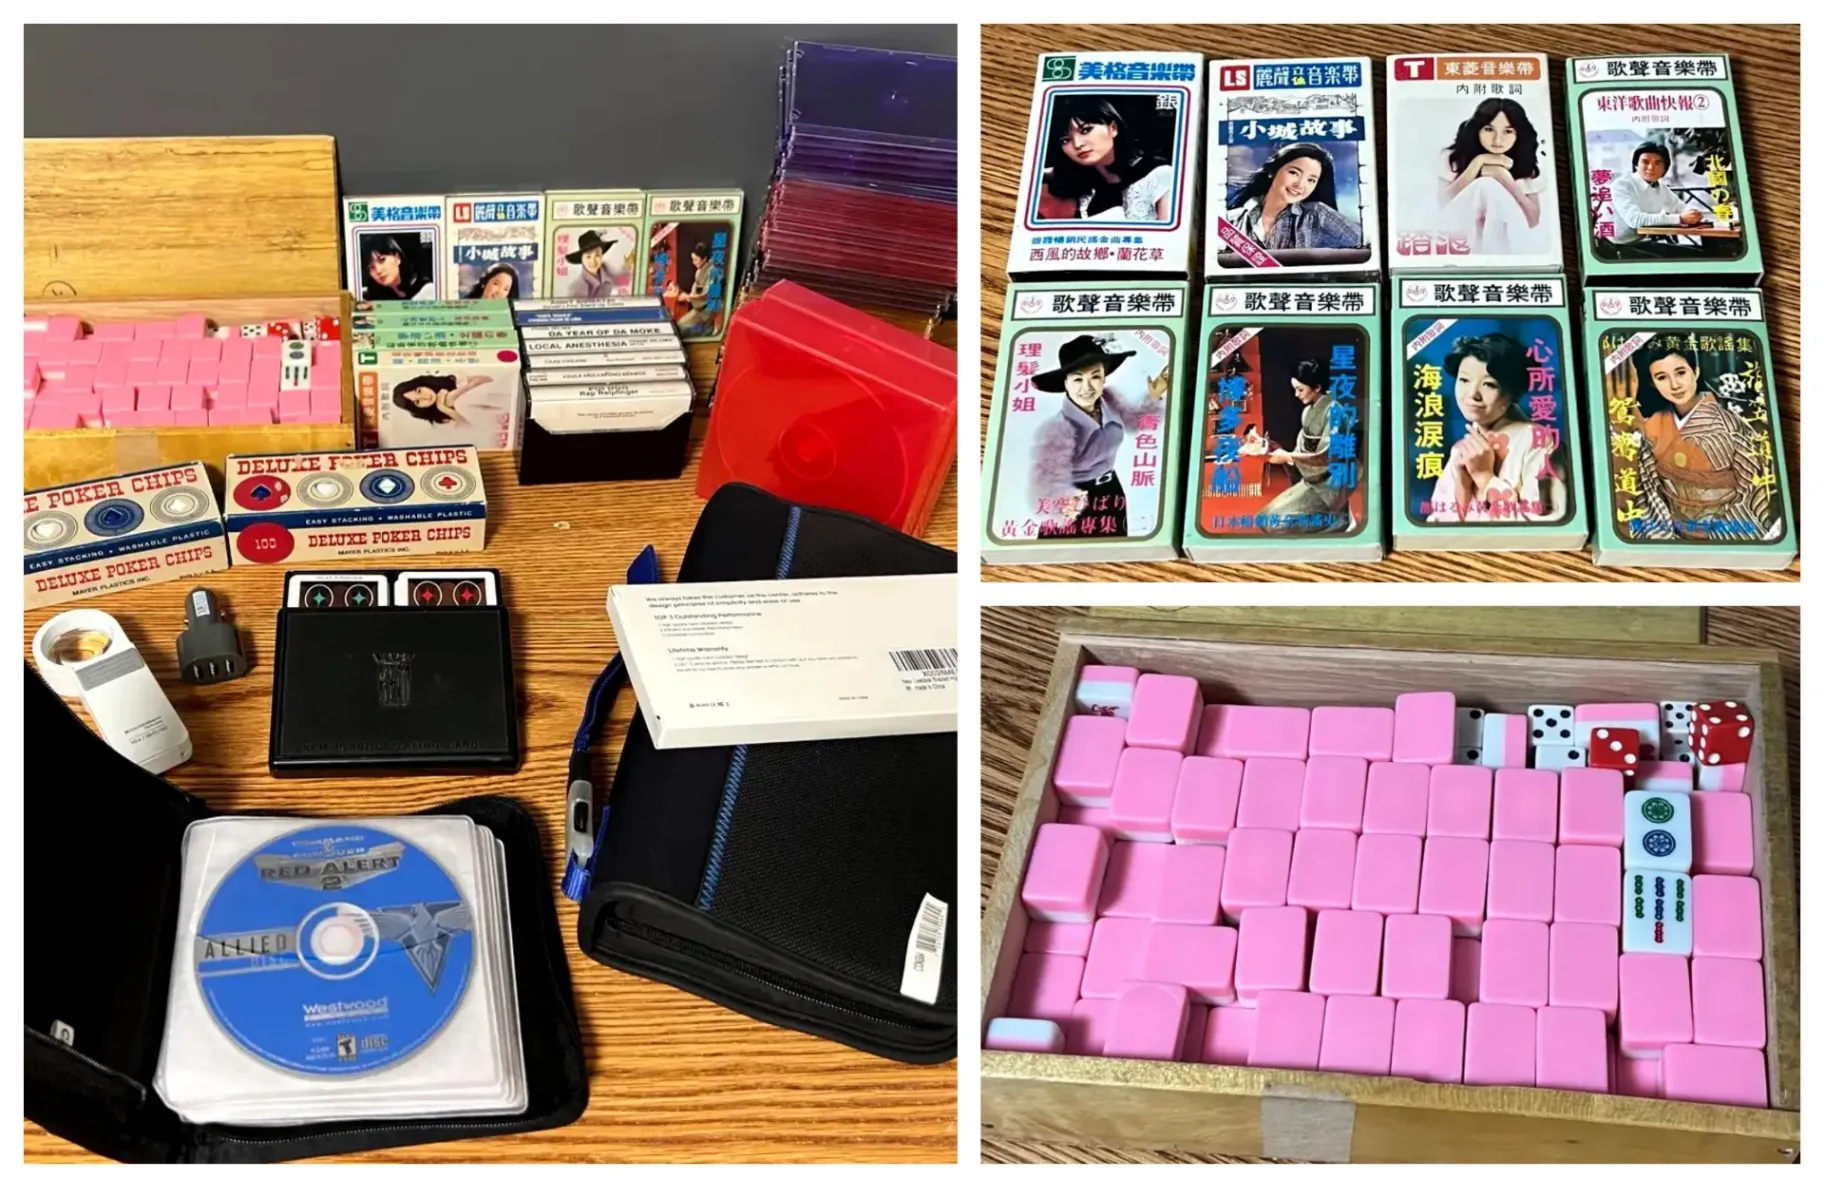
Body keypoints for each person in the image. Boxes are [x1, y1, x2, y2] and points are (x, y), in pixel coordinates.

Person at [1626, 341, 1775, 539]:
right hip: (1671, 527)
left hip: (1726, 527)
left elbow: (1754, 485)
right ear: (1653, 383)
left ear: (1695, 372)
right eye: (1662, 377)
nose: (1674, 385)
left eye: (1681, 373)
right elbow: (1648, 482)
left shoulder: (1730, 425)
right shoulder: (1654, 423)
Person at [1028, 334, 1169, 537]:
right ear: (1065, 383)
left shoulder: (1109, 401)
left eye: (1095, 376)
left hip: (1110, 492)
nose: (1087, 388)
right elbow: (1045, 479)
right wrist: (1064, 502)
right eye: (1078, 379)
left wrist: (1154, 395)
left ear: (1104, 377)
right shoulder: (1058, 428)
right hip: (1074, 501)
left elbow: (1136, 422)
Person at [1425, 333, 1566, 523]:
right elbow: (1438, 519)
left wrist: (1484, 477)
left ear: (1514, 392)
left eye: (1489, 384)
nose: (1472, 394)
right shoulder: (1462, 448)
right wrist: (1463, 485)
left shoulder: (1539, 440)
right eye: (1464, 380)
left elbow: (1548, 524)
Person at [1038, 95, 1174, 222]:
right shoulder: (1082, 184)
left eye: (1085, 130)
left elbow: (1172, 236)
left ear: (1113, 128)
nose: (1077, 144)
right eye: (1065, 140)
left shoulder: (1159, 174)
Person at [1436, 98, 1546, 254]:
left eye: (1508, 131)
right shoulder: (1453, 156)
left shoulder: (1526, 164)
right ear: (1477, 129)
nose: (1497, 139)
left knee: (1489, 186)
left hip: (1506, 235)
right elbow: (1442, 203)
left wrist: (1504, 178)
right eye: (1489, 129)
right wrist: (1479, 162)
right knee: (1485, 184)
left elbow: (1533, 221)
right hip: (1459, 232)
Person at [1255, 358, 1352, 531]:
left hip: (1329, 486)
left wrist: (1289, 456)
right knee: (1263, 518)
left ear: (1317, 387)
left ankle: (1338, 520)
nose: (1296, 394)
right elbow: (1301, 452)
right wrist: (1274, 449)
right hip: (1311, 480)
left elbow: (1329, 456)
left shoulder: (1336, 413)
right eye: (1295, 389)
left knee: (1276, 525)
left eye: (1300, 389)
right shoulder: (1307, 412)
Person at [1223, 142, 1359, 252]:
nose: (1300, 185)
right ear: (1272, 171)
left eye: (1311, 180)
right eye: (1294, 173)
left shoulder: (1317, 214)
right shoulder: (1232, 220)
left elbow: (1363, 243)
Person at [1605, 142, 1707, 256]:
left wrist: (1693, 214)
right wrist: (1680, 219)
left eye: (1658, 163)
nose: (1651, 168)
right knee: (1678, 262)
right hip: (1614, 248)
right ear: (1636, 165)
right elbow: (1634, 220)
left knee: (1698, 254)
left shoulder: (1660, 186)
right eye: (1645, 162)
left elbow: (1679, 207)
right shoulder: (1623, 185)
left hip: (1640, 242)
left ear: (1665, 168)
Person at [665, 241, 723, 336]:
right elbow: (695, 292)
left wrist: (688, 297)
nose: (693, 262)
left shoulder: (714, 272)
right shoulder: (699, 271)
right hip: (699, 309)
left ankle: (708, 330)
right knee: (678, 325)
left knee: (681, 328)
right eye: (693, 259)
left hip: (709, 311)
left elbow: (709, 295)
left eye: (696, 260)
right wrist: (678, 291)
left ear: (704, 258)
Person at [391, 373, 493, 426]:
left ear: (422, 385)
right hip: (489, 420)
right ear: (418, 408)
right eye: (417, 401)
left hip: (493, 394)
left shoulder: (453, 381)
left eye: (419, 391)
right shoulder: (441, 418)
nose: (425, 397)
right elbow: (473, 430)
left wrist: (458, 392)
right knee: (459, 404)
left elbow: (489, 380)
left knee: (458, 402)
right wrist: (445, 409)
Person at [361, 235, 429, 302]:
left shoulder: (426, 289)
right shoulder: (373, 298)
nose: (378, 270)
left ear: (397, 258)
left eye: (382, 260)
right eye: (371, 267)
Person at [564, 229, 627, 297]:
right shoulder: (577, 289)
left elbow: (617, 279)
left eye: (597, 255)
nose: (593, 261)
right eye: (588, 256)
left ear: (601, 255)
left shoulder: (604, 269)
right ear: (582, 259)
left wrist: (628, 266)